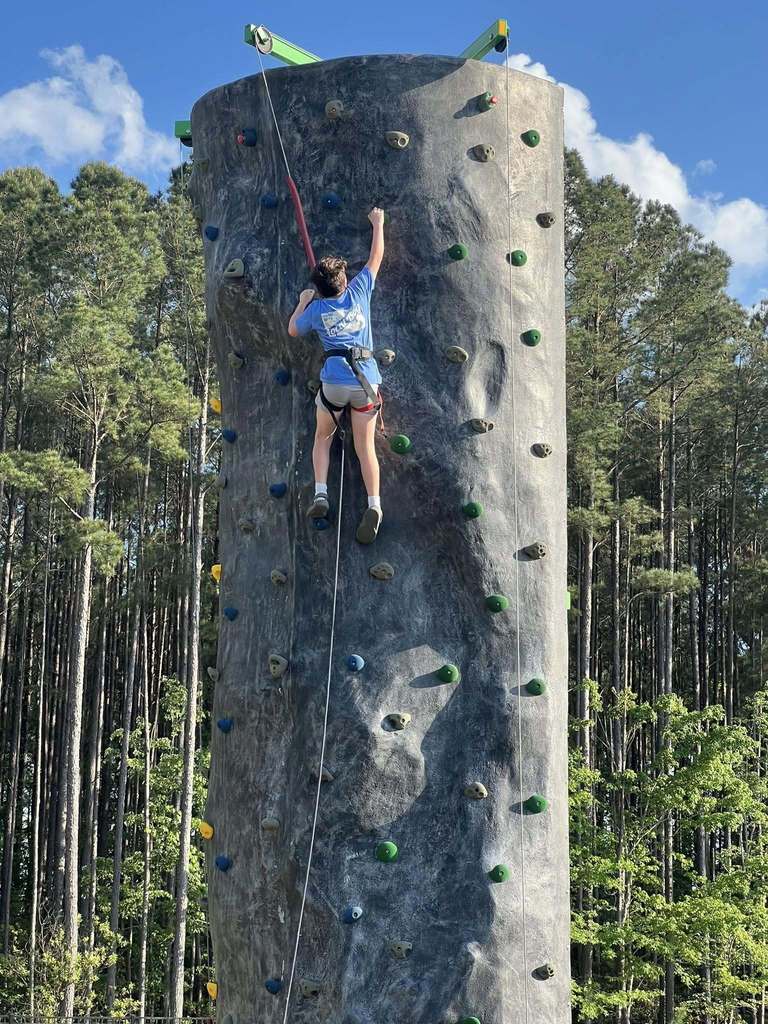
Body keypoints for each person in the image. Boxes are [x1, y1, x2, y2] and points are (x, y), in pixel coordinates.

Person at [288, 207, 385, 545]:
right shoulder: (359, 292)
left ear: (320, 289)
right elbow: (376, 257)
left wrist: (303, 301)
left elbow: (293, 330)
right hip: (366, 382)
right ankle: (374, 504)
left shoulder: (316, 310)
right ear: (344, 281)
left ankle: (320, 494)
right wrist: (377, 223)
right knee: (365, 447)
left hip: (333, 384)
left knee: (323, 438)